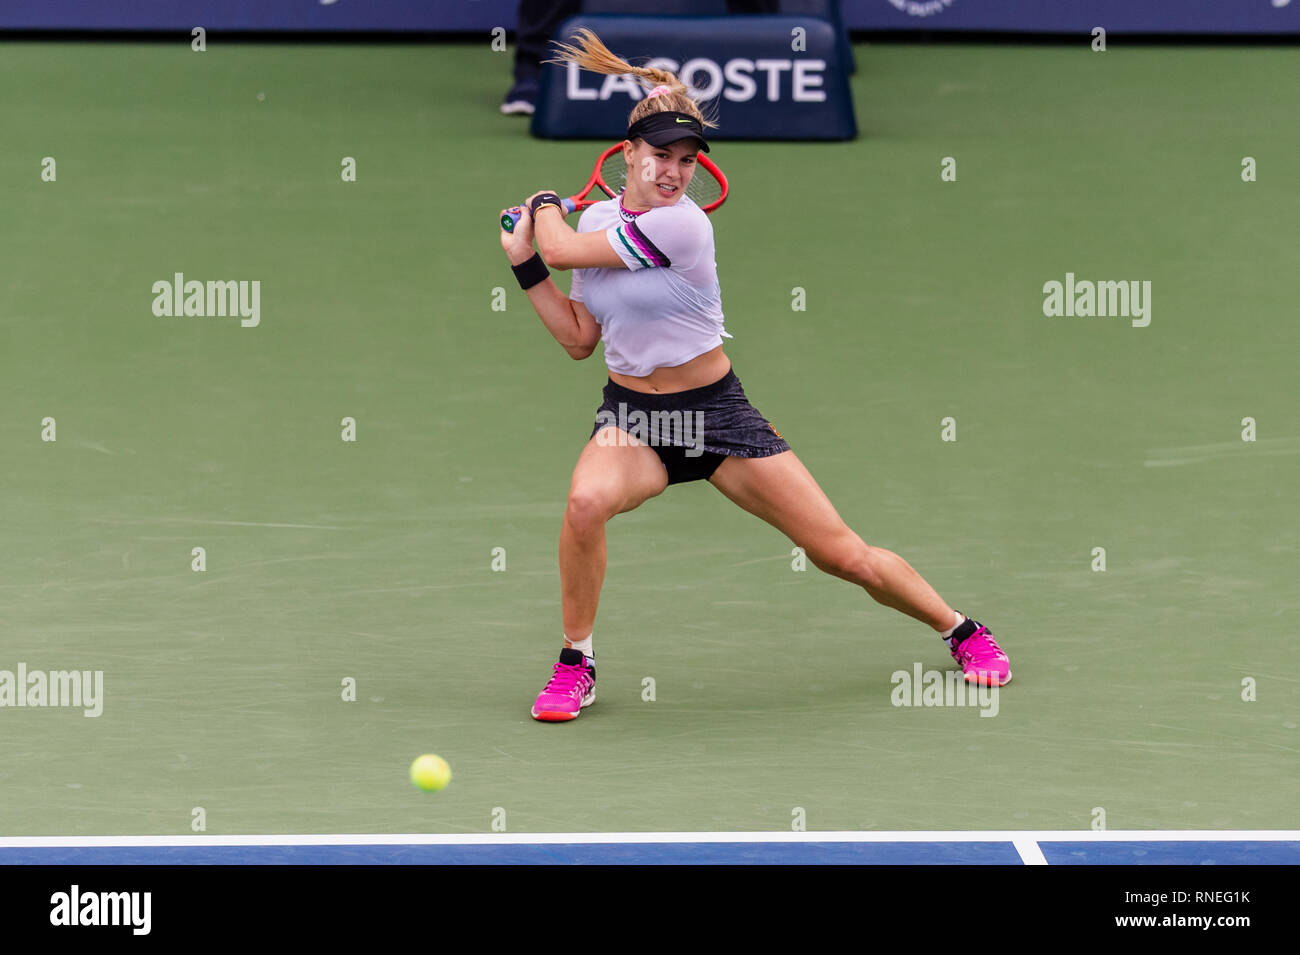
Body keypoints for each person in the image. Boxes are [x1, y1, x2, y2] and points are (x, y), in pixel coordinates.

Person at [498, 28, 1011, 722]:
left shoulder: (681, 228)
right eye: (660, 157)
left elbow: (558, 244)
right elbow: (581, 339)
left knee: (842, 555)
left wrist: (541, 213)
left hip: (718, 416)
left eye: (687, 160)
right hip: (635, 420)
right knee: (585, 504)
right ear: (629, 154)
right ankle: (575, 662)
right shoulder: (597, 220)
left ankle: (961, 629)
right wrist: (524, 267)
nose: (675, 172)